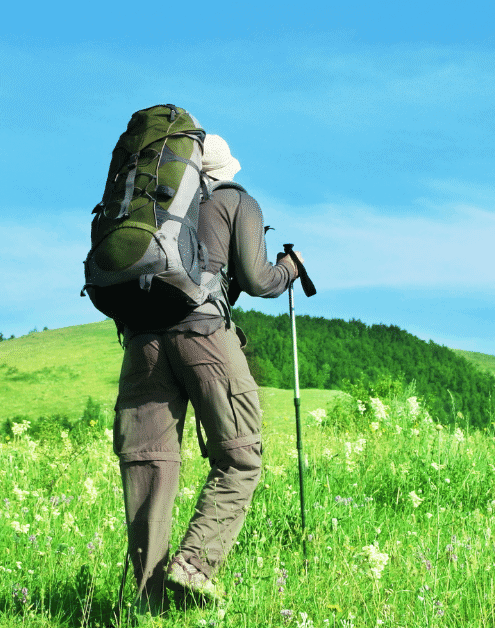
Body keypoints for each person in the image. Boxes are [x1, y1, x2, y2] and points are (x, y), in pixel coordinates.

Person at [113, 133, 303, 613]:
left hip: (141, 345)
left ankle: (145, 605)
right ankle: (195, 565)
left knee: (149, 468)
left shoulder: (153, 212)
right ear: (226, 168)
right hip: (204, 336)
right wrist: (290, 268)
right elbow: (259, 281)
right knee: (240, 457)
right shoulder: (235, 200)